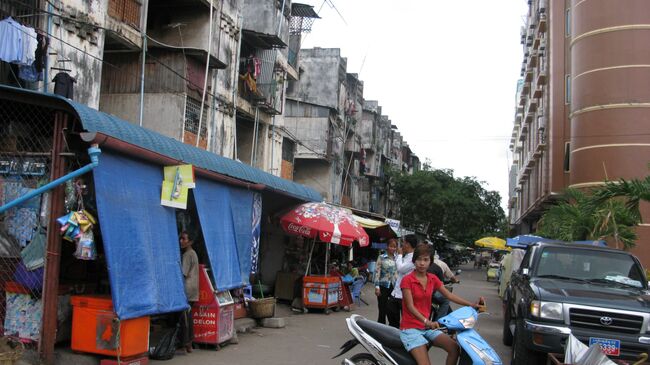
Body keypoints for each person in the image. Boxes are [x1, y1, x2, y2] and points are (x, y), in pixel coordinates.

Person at [400, 244, 484, 365]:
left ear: (431, 262)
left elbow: (449, 296)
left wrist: (471, 304)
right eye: (419, 259)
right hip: (410, 329)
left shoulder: (432, 278)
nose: (422, 263)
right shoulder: (407, 280)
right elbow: (410, 306)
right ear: (414, 261)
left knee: (454, 348)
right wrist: (427, 321)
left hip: (426, 328)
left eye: (426, 260)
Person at [387, 234, 417, 328]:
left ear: (407, 244)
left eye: (403, 242)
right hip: (396, 293)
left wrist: (399, 255)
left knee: (405, 321)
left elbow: (401, 269)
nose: (402, 245)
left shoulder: (414, 259)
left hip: (404, 295)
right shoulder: (406, 256)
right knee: (392, 317)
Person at [179, 231, 199, 353]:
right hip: (193, 288)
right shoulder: (193, 253)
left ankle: (187, 343)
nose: (181, 241)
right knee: (188, 316)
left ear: (190, 241)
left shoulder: (187, 255)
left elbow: (183, 273)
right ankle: (189, 342)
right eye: (180, 238)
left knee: (185, 317)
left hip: (187, 288)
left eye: (184, 239)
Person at [373, 238, 397, 324]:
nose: (393, 248)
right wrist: (377, 286)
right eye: (391, 246)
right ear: (387, 247)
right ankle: (380, 327)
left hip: (394, 287)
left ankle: (392, 327)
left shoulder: (397, 258)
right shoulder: (381, 257)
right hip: (383, 286)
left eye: (394, 247)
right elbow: (377, 272)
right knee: (382, 309)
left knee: (391, 309)